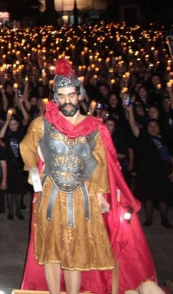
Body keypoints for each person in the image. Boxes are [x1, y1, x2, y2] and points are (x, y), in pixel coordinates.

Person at [20, 59, 157, 294]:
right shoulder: (42, 124)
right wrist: (33, 175)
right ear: (55, 98)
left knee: (75, 253)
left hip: (82, 197)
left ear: (79, 95)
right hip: (51, 195)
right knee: (51, 252)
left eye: (71, 95)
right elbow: (27, 148)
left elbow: (102, 164)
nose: (67, 101)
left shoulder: (94, 127)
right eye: (61, 96)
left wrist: (101, 195)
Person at [126, 112, 173, 228]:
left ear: (159, 128)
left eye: (155, 126)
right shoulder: (144, 138)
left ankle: (164, 219)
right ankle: (149, 219)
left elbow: (171, 156)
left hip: (163, 171)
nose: (152, 128)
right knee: (148, 196)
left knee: (163, 197)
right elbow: (133, 126)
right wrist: (130, 111)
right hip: (147, 171)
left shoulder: (166, 140)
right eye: (150, 126)